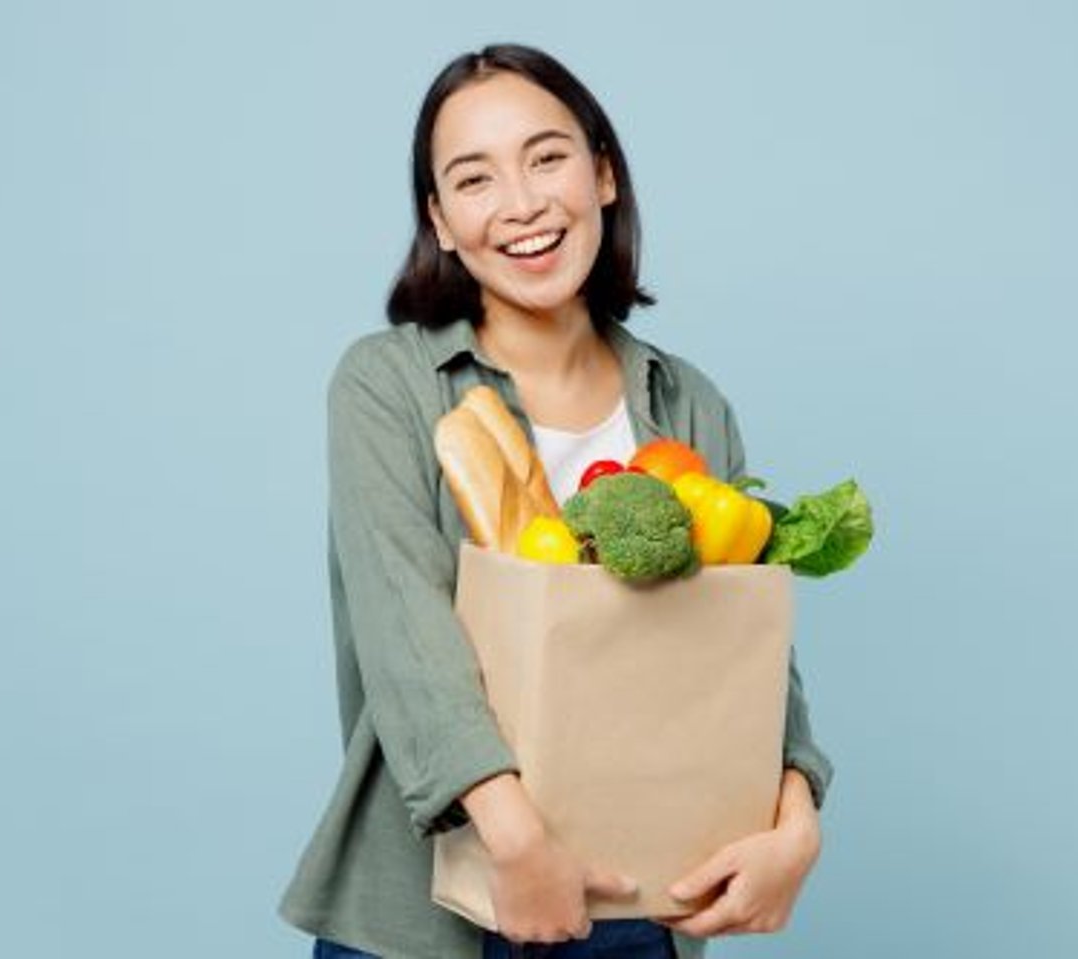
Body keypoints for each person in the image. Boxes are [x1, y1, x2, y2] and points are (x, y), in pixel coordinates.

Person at [278, 43, 834, 959]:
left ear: (603, 173)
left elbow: (747, 642)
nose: (523, 204)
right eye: (474, 178)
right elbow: (404, 633)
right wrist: (515, 836)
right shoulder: (390, 385)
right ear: (442, 220)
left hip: (638, 910)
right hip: (427, 913)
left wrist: (798, 813)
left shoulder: (686, 401)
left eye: (547, 157)